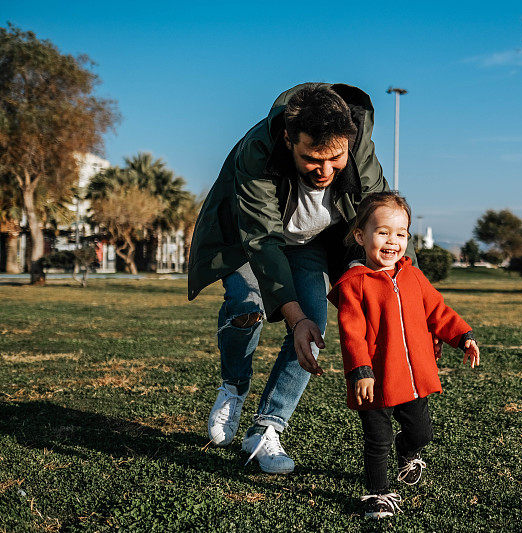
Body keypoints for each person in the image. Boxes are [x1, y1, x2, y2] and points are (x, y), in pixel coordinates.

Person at [187, 83, 416, 474]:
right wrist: (291, 317)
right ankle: (234, 386)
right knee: (247, 306)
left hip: (311, 244)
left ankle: (266, 429)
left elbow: (384, 215)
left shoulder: (357, 146)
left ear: (348, 141)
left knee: (314, 325)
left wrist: (409, 300)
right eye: (312, 159)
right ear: (289, 139)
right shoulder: (257, 150)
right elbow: (262, 239)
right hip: (248, 241)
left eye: (336, 159)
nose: (325, 171)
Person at [327, 192, 480, 519]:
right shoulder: (354, 284)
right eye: (382, 232)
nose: (392, 241)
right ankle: (377, 495)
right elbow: (351, 331)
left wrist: (463, 335)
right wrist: (360, 369)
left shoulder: (413, 276)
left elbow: (438, 311)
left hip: (414, 377)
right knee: (377, 440)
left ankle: (407, 450)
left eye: (400, 234)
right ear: (361, 235)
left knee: (423, 432)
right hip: (375, 380)